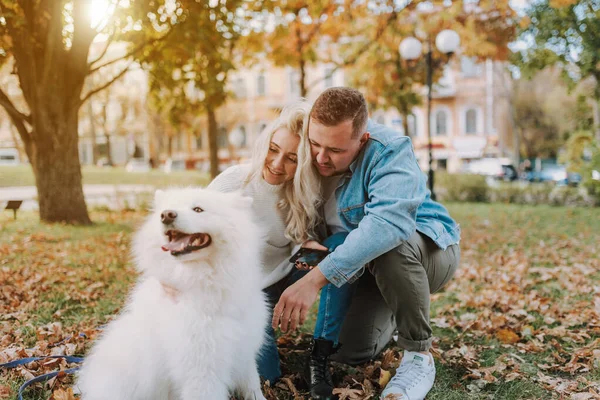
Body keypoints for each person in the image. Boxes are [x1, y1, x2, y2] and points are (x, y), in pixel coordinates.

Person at [271, 87, 461, 400]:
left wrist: (313, 281)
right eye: (315, 143)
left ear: (362, 139)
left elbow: (389, 225)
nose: (320, 156)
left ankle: (418, 355)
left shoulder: (389, 148)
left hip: (429, 251)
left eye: (334, 150)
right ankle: (394, 308)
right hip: (365, 272)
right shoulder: (306, 154)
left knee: (391, 247)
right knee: (350, 352)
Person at [206, 101, 356, 394]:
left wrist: (307, 245)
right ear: (264, 144)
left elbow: (297, 240)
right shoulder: (233, 182)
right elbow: (191, 231)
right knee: (268, 379)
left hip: (279, 282)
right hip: (236, 293)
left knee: (340, 247)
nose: (276, 164)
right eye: (273, 150)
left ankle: (321, 353)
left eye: (291, 158)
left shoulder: (301, 193)